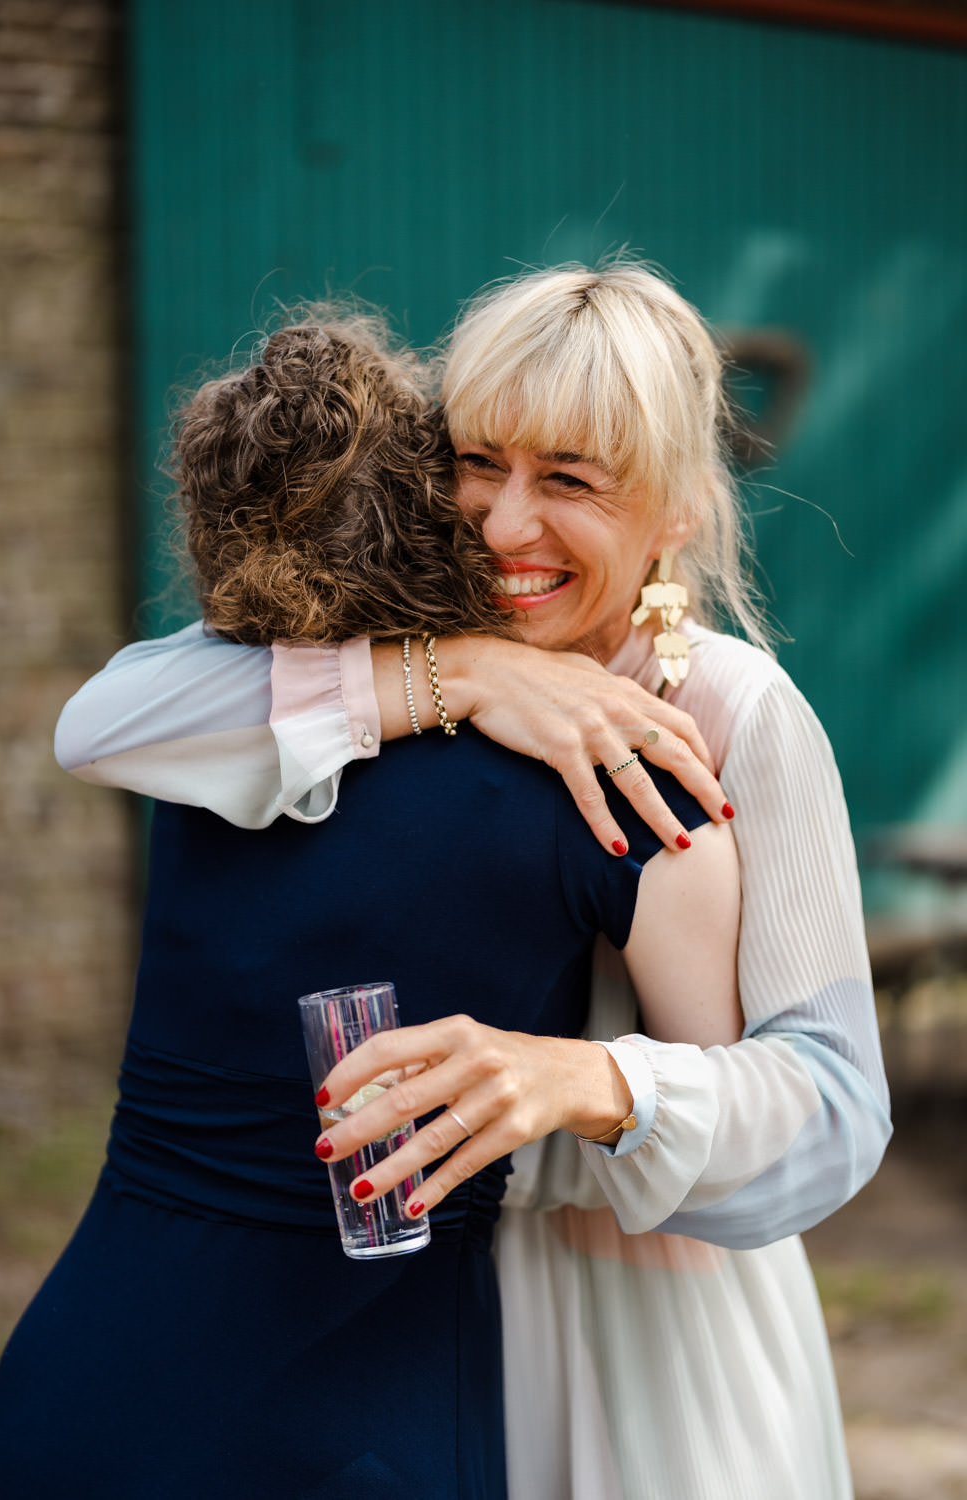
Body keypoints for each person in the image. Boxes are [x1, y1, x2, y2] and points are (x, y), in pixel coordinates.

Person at [49, 263, 890, 1498]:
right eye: (477, 461)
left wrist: (588, 1079)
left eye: (568, 482)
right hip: (413, 1302)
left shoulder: (731, 710)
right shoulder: (402, 638)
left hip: (643, 1327)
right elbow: (108, 721)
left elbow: (834, 1108)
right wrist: (468, 676)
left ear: (674, 511)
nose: (502, 524)